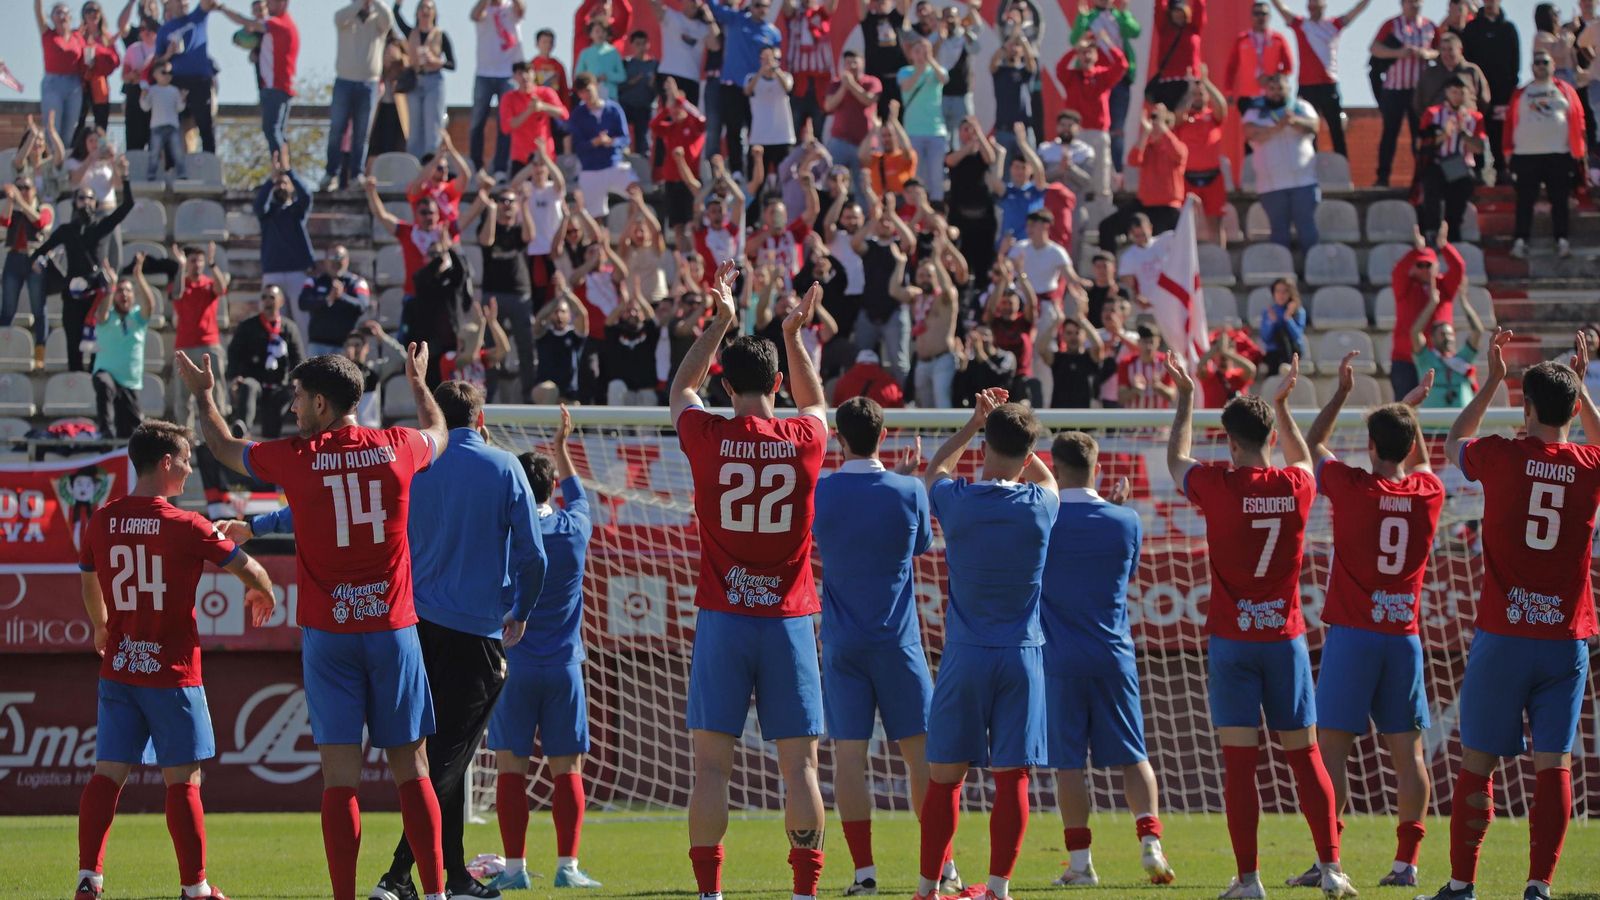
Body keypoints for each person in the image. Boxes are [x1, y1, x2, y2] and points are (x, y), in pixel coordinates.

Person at [226, 381, 546, 900]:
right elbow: (534, 557)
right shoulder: (501, 466)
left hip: (412, 624)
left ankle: (454, 877)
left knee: (444, 762)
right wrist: (522, 611)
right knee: (436, 763)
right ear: (481, 417)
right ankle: (401, 879)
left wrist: (258, 525)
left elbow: (321, 505)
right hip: (472, 632)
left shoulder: (407, 461)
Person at [176, 340, 452, 900]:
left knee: (339, 778)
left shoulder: (295, 458)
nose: (293, 408)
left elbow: (225, 447)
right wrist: (419, 384)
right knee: (413, 769)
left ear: (323, 404)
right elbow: (440, 434)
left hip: (329, 636)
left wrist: (204, 398)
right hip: (392, 630)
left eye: (300, 398)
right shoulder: (398, 446)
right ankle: (439, 894)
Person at [1165, 355, 1357, 900]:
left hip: (1233, 643)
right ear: (1271, 434)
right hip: (1286, 642)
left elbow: (1176, 458)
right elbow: (1303, 456)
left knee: (1240, 766)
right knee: (1306, 757)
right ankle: (1332, 868)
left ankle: (1249, 881)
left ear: (1229, 442)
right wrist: (1283, 405)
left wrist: (1184, 399)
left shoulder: (1219, 485)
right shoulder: (1297, 486)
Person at [668, 262, 830, 900]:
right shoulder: (803, 439)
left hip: (725, 619)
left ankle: (710, 894)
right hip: (788, 620)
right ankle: (805, 892)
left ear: (724, 382)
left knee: (710, 768)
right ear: (778, 382)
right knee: (801, 769)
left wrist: (723, 319)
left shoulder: (709, 435)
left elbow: (682, 388)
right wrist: (793, 334)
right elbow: (817, 403)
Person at [1426, 333, 1600, 900]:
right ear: (1575, 409)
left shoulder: (1501, 453)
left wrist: (1494, 378)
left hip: (1504, 634)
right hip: (1563, 639)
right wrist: (1581, 387)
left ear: (1524, 408)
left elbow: (1454, 441)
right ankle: (1539, 886)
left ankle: (1460, 885)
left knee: (1478, 761)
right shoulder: (1588, 465)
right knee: (1554, 764)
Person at [72, 420, 275, 900]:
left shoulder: (102, 519)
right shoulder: (187, 525)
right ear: (165, 463)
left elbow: (87, 574)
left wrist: (100, 624)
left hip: (120, 667)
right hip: (173, 672)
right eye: (185, 461)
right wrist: (262, 593)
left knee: (108, 772)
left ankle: (88, 879)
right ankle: (196, 888)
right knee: (184, 779)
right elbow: (251, 568)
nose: (188, 470)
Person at [1284, 354, 1442, 890]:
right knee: (1409, 754)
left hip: (1354, 635)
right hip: (1403, 638)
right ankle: (1407, 864)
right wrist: (1406, 413)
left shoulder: (1352, 486)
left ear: (1371, 447)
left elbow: (1311, 440)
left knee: (1331, 750)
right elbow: (1415, 458)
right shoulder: (1428, 493)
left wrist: (1343, 393)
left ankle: (1329, 859)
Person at [912, 389, 1057, 900]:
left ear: (986, 445)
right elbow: (1045, 476)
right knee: (1012, 776)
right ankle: (998, 889)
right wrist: (1013, 433)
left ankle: (928, 890)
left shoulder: (960, 502)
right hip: (1023, 655)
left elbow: (934, 471)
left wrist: (975, 423)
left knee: (945, 778)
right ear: (1027, 450)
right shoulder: (1042, 505)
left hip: (966, 654)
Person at [811, 397, 938, 896]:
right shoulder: (908, 491)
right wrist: (907, 484)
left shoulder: (820, 491)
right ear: (884, 436)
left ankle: (864, 874)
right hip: (898, 643)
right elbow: (921, 544)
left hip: (843, 643)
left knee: (847, 759)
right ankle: (940, 867)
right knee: (921, 757)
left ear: (838, 439)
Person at [1042, 432, 1174, 887]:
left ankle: (1081, 865)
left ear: (1054, 468)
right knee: (1133, 754)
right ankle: (1151, 842)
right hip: (1113, 654)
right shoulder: (1126, 521)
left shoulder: (1045, 520)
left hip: (1060, 658)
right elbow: (1126, 571)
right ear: (1096, 469)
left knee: (1068, 765)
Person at [486, 408, 602, 891]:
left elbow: (490, 497)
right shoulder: (574, 528)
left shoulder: (506, 532)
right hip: (563, 666)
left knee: (510, 766)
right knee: (567, 767)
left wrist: (488, 448)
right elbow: (576, 493)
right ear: (551, 485)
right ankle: (567, 867)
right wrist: (560, 445)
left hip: (512, 664)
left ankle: (514, 870)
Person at [29, 162, 134, 373]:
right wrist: (36, 262)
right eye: (81, 198)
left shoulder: (102, 225)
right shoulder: (67, 230)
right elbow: (40, 251)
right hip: (72, 296)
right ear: (75, 203)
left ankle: (94, 389)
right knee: (73, 348)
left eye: (90, 198)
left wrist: (125, 177)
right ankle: (75, 387)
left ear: (96, 203)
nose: (85, 202)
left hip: (97, 295)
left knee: (98, 348)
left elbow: (128, 205)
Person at [1507, 51, 1587, 261]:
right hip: (1526, 155)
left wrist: (1578, 151)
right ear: (1531, 67)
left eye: (1545, 62)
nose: (1541, 66)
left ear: (1553, 65)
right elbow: (1509, 123)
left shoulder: (1565, 90)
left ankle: (1561, 240)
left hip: (1558, 154)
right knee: (1525, 200)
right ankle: (1520, 240)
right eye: (1537, 63)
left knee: (1560, 199)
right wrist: (1508, 151)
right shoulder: (1521, 93)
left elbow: (1579, 120)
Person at [1271, 0, 1374, 157]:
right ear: (1308, 8)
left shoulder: (1333, 25)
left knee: (1336, 127)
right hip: (1306, 86)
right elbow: (1282, 9)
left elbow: (1355, 12)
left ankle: (1342, 164)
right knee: (1307, 129)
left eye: (1317, 7)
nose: (1314, 11)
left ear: (1324, 8)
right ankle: (1308, 165)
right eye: (1312, 7)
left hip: (1328, 84)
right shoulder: (1301, 24)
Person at [322, 0, 394, 193]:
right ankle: (331, 174)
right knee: (337, 130)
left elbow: (389, 19)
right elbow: (339, 18)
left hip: (368, 83)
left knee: (361, 134)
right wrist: (359, 4)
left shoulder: (379, 20)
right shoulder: (346, 16)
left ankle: (356, 174)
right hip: (344, 81)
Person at [1243, 74, 1321, 250]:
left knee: (1307, 230)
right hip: (1271, 186)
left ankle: (1310, 270)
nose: (1276, 93)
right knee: (1279, 233)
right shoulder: (1255, 111)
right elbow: (1250, 132)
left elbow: (1314, 126)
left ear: (1289, 89)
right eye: (1272, 89)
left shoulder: (1301, 107)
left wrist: (1293, 121)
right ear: (1266, 91)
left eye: (1280, 89)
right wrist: (1278, 127)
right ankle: (1282, 274)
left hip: (1303, 182)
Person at [1369, 0, 1438, 188]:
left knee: (1420, 135)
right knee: (1390, 134)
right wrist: (1398, 53)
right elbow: (1374, 48)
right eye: (1409, 2)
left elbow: (1440, 51)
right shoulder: (1392, 25)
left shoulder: (1430, 26)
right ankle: (1382, 177)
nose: (1413, 5)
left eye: (1417, 2)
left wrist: (1426, 54)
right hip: (1394, 88)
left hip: (1418, 92)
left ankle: (1422, 178)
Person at [1097, 107, 1186, 252]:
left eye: (1159, 125)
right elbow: (1133, 160)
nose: (1155, 128)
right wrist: (1145, 132)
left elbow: (1179, 155)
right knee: (1107, 227)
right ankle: (1108, 266)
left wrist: (1163, 128)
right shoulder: (1147, 147)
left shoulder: (1176, 145)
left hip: (1167, 208)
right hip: (1144, 205)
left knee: (1160, 245)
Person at [1389, 223, 1463, 399]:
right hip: (1405, 360)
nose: (1423, 269)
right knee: (1403, 410)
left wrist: (1444, 246)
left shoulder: (1444, 286)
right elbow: (1398, 272)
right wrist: (1417, 250)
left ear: (1436, 266)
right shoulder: (1406, 287)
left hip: (1436, 360)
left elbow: (1459, 267)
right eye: (1419, 264)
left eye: (1427, 265)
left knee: (1437, 406)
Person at [707, 0, 781, 173]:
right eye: (756, 5)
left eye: (764, 6)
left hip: (757, 89)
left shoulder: (773, 33)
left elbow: (776, 62)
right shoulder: (736, 19)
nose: (760, 9)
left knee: (757, 132)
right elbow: (714, 7)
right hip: (732, 85)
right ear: (750, 6)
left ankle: (754, 171)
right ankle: (736, 170)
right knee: (733, 129)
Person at [1069, 0, 1140, 174]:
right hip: (1095, 81)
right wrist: (1082, 18)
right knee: (1091, 127)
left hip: (1118, 78)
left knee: (1116, 129)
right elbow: (1074, 39)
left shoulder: (1118, 15)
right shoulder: (1089, 16)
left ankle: (1115, 172)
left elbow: (1134, 31)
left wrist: (1125, 14)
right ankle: (1086, 169)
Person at [1055, 36, 1127, 204]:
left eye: (1090, 52)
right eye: (1083, 53)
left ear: (1096, 56)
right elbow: (1059, 68)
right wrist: (1075, 49)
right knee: (1076, 176)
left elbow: (1122, 65)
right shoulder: (1071, 77)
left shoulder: (1102, 75)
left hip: (1098, 132)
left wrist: (1108, 44)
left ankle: (1102, 213)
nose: (1086, 56)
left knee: (1102, 176)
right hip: (1076, 134)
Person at [226, 285, 304, 439]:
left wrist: (296, 379)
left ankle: (271, 439)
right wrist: (235, 377)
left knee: (281, 402)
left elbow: (298, 357)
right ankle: (242, 427)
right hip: (255, 380)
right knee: (248, 386)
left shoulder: (289, 328)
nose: (267, 302)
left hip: (279, 384)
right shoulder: (248, 326)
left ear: (281, 302)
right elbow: (234, 353)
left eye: (272, 298)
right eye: (264, 298)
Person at [92, 255, 156, 438]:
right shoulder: (107, 315)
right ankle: (104, 431)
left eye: (128, 291)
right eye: (120, 291)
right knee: (103, 383)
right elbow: (101, 314)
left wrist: (139, 276)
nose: (124, 294)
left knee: (132, 433)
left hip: (130, 382)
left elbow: (150, 305)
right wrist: (111, 287)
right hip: (108, 373)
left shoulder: (138, 317)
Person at [1416, 76, 1484, 241]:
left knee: (1460, 191)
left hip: (1459, 163)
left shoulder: (1475, 118)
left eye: (1461, 92)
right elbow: (1421, 143)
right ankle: (1432, 230)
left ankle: (1452, 232)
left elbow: (1479, 148)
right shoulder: (1433, 114)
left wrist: (1463, 134)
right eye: (1454, 92)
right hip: (1437, 161)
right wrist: (1444, 135)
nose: (1457, 96)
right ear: (1447, 92)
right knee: (1432, 189)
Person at [1461, 0, 1518, 184]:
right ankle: (1477, 170)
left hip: (1501, 92)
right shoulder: (1471, 28)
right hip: (1476, 93)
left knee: (1498, 132)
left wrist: (1510, 90)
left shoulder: (1508, 28)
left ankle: (1501, 170)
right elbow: (1466, 60)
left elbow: (1515, 63)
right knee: (1476, 128)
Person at [155, 0, 223, 155]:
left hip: (200, 80)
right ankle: (174, 163)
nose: (182, 3)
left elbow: (208, 3)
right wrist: (169, 54)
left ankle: (209, 158)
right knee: (175, 124)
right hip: (177, 82)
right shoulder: (165, 30)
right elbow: (157, 61)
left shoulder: (197, 16)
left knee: (205, 123)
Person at [0, 176, 55, 366]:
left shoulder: (45, 207)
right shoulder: (15, 209)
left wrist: (20, 201)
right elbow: (4, 222)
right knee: (7, 308)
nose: (22, 191)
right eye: (19, 188)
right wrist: (9, 200)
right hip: (14, 257)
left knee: (38, 308)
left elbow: (40, 222)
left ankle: (40, 352)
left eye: (26, 188)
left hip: (34, 260)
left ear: (34, 190)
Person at [567, 73, 638, 218]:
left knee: (636, 194)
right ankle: (599, 240)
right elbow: (578, 146)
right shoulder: (577, 115)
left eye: (587, 90)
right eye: (581, 93)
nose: (585, 95)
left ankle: (630, 233)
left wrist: (611, 142)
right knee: (593, 217)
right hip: (590, 169)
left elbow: (625, 138)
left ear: (595, 86)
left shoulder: (614, 109)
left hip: (613, 164)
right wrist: (594, 143)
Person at [468, 0, 525, 176]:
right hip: (484, 73)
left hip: (507, 74)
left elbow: (521, 10)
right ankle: (476, 165)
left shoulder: (511, 8)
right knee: (478, 121)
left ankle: (500, 167)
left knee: (505, 124)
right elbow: (474, 15)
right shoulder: (484, 9)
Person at [1410, 276, 1486, 409]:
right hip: (1431, 426)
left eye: (1451, 334)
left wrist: (1463, 301)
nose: (1448, 338)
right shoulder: (1426, 359)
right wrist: (1432, 304)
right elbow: (1415, 333)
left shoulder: (1463, 359)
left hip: (1462, 423)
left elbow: (1478, 331)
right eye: (1443, 334)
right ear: (1432, 338)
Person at [254, 157, 313, 317]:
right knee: (274, 318)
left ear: (292, 187)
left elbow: (307, 196)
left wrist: (289, 172)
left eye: (284, 183)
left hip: (297, 272)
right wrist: (271, 180)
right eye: (278, 184)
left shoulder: (297, 211)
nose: (281, 186)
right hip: (272, 272)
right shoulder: (267, 214)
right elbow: (259, 206)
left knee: (302, 319)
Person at [299, 245, 369, 357]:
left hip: (345, 345)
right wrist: (327, 300)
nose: (335, 263)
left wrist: (341, 297)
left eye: (339, 258)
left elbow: (362, 306)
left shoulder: (357, 282)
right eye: (331, 258)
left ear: (347, 260)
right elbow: (303, 303)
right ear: (325, 261)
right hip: (317, 344)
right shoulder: (314, 281)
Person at [1224, 1, 1294, 114]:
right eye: (1257, 14)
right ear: (1251, 16)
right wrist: (1229, 92)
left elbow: (1288, 67)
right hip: (1248, 96)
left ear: (1269, 17)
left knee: (1273, 128)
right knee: (1251, 129)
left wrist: (1271, 79)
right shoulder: (1242, 39)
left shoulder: (1278, 39)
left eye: (1264, 14)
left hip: (1272, 96)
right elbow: (1231, 68)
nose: (1260, 17)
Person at [499, 60, 569, 171]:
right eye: (520, 73)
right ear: (514, 77)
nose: (525, 76)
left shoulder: (546, 92)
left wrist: (543, 107)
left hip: (545, 156)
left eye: (528, 72)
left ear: (534, 74)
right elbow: (506, 127)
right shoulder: (508, 98)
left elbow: (564, 114)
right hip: (521, 158)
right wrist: (529, 111)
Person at [38, 0, 88, 147]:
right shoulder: (48, 34)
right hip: (53, 83)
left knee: (69, 130)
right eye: (58, 13)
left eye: (65, 13)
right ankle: (50, 163)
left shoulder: (77, 36)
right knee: (52, 126)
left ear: (70, 17)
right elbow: (38, 10)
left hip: (74, 85)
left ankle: (63, 164)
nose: (62, 16)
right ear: (52, 17)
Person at [1146, 0, 1207, 112]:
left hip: (1190, 84)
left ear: (1186, 12)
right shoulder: (1164, 28)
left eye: (1181, 10)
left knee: (1187, 119)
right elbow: (1159, 6)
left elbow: (1200, 7)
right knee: (1169, 120)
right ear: (1170, 13)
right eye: (1175, 11)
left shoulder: (1194, 28)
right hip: (1167, 85)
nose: (1178, 14)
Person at [1411, 33, 1489, 118]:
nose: (1447, 54)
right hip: (1436, 125)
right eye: (1443, 49)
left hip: (1467, 124)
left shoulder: (1472, 71)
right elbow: (1418, 102)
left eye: (1450, 49)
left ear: (1460, 50)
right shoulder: (1429, 73)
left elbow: (1484, 100)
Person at [653, 0, 714, 105]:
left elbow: (715, 46)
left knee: (689, 118)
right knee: (669, 116)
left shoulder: (703, 27)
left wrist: (710, 20)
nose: (694, 4)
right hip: (669, 74)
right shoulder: (671, 16)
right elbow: (654, 3)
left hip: (692, 78)